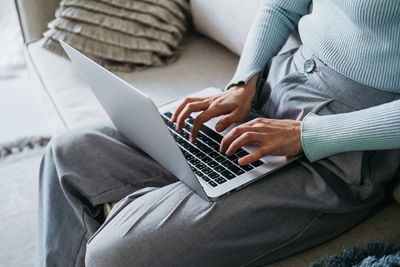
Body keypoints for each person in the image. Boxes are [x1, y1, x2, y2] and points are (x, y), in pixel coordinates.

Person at [36, 0, 400, 266]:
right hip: (269, 91)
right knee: (68, 153)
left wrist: (309, 136)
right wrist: (243, 82)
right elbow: (281, 8)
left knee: (113, 255)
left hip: (339, 150)